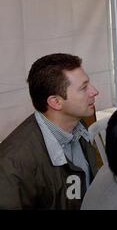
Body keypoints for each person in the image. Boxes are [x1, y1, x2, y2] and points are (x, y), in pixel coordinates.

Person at [0, 53, 99, 209]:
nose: (95, 91)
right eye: (83, 88)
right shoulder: (13, 164)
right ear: (55, 102)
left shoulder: (80, 123)